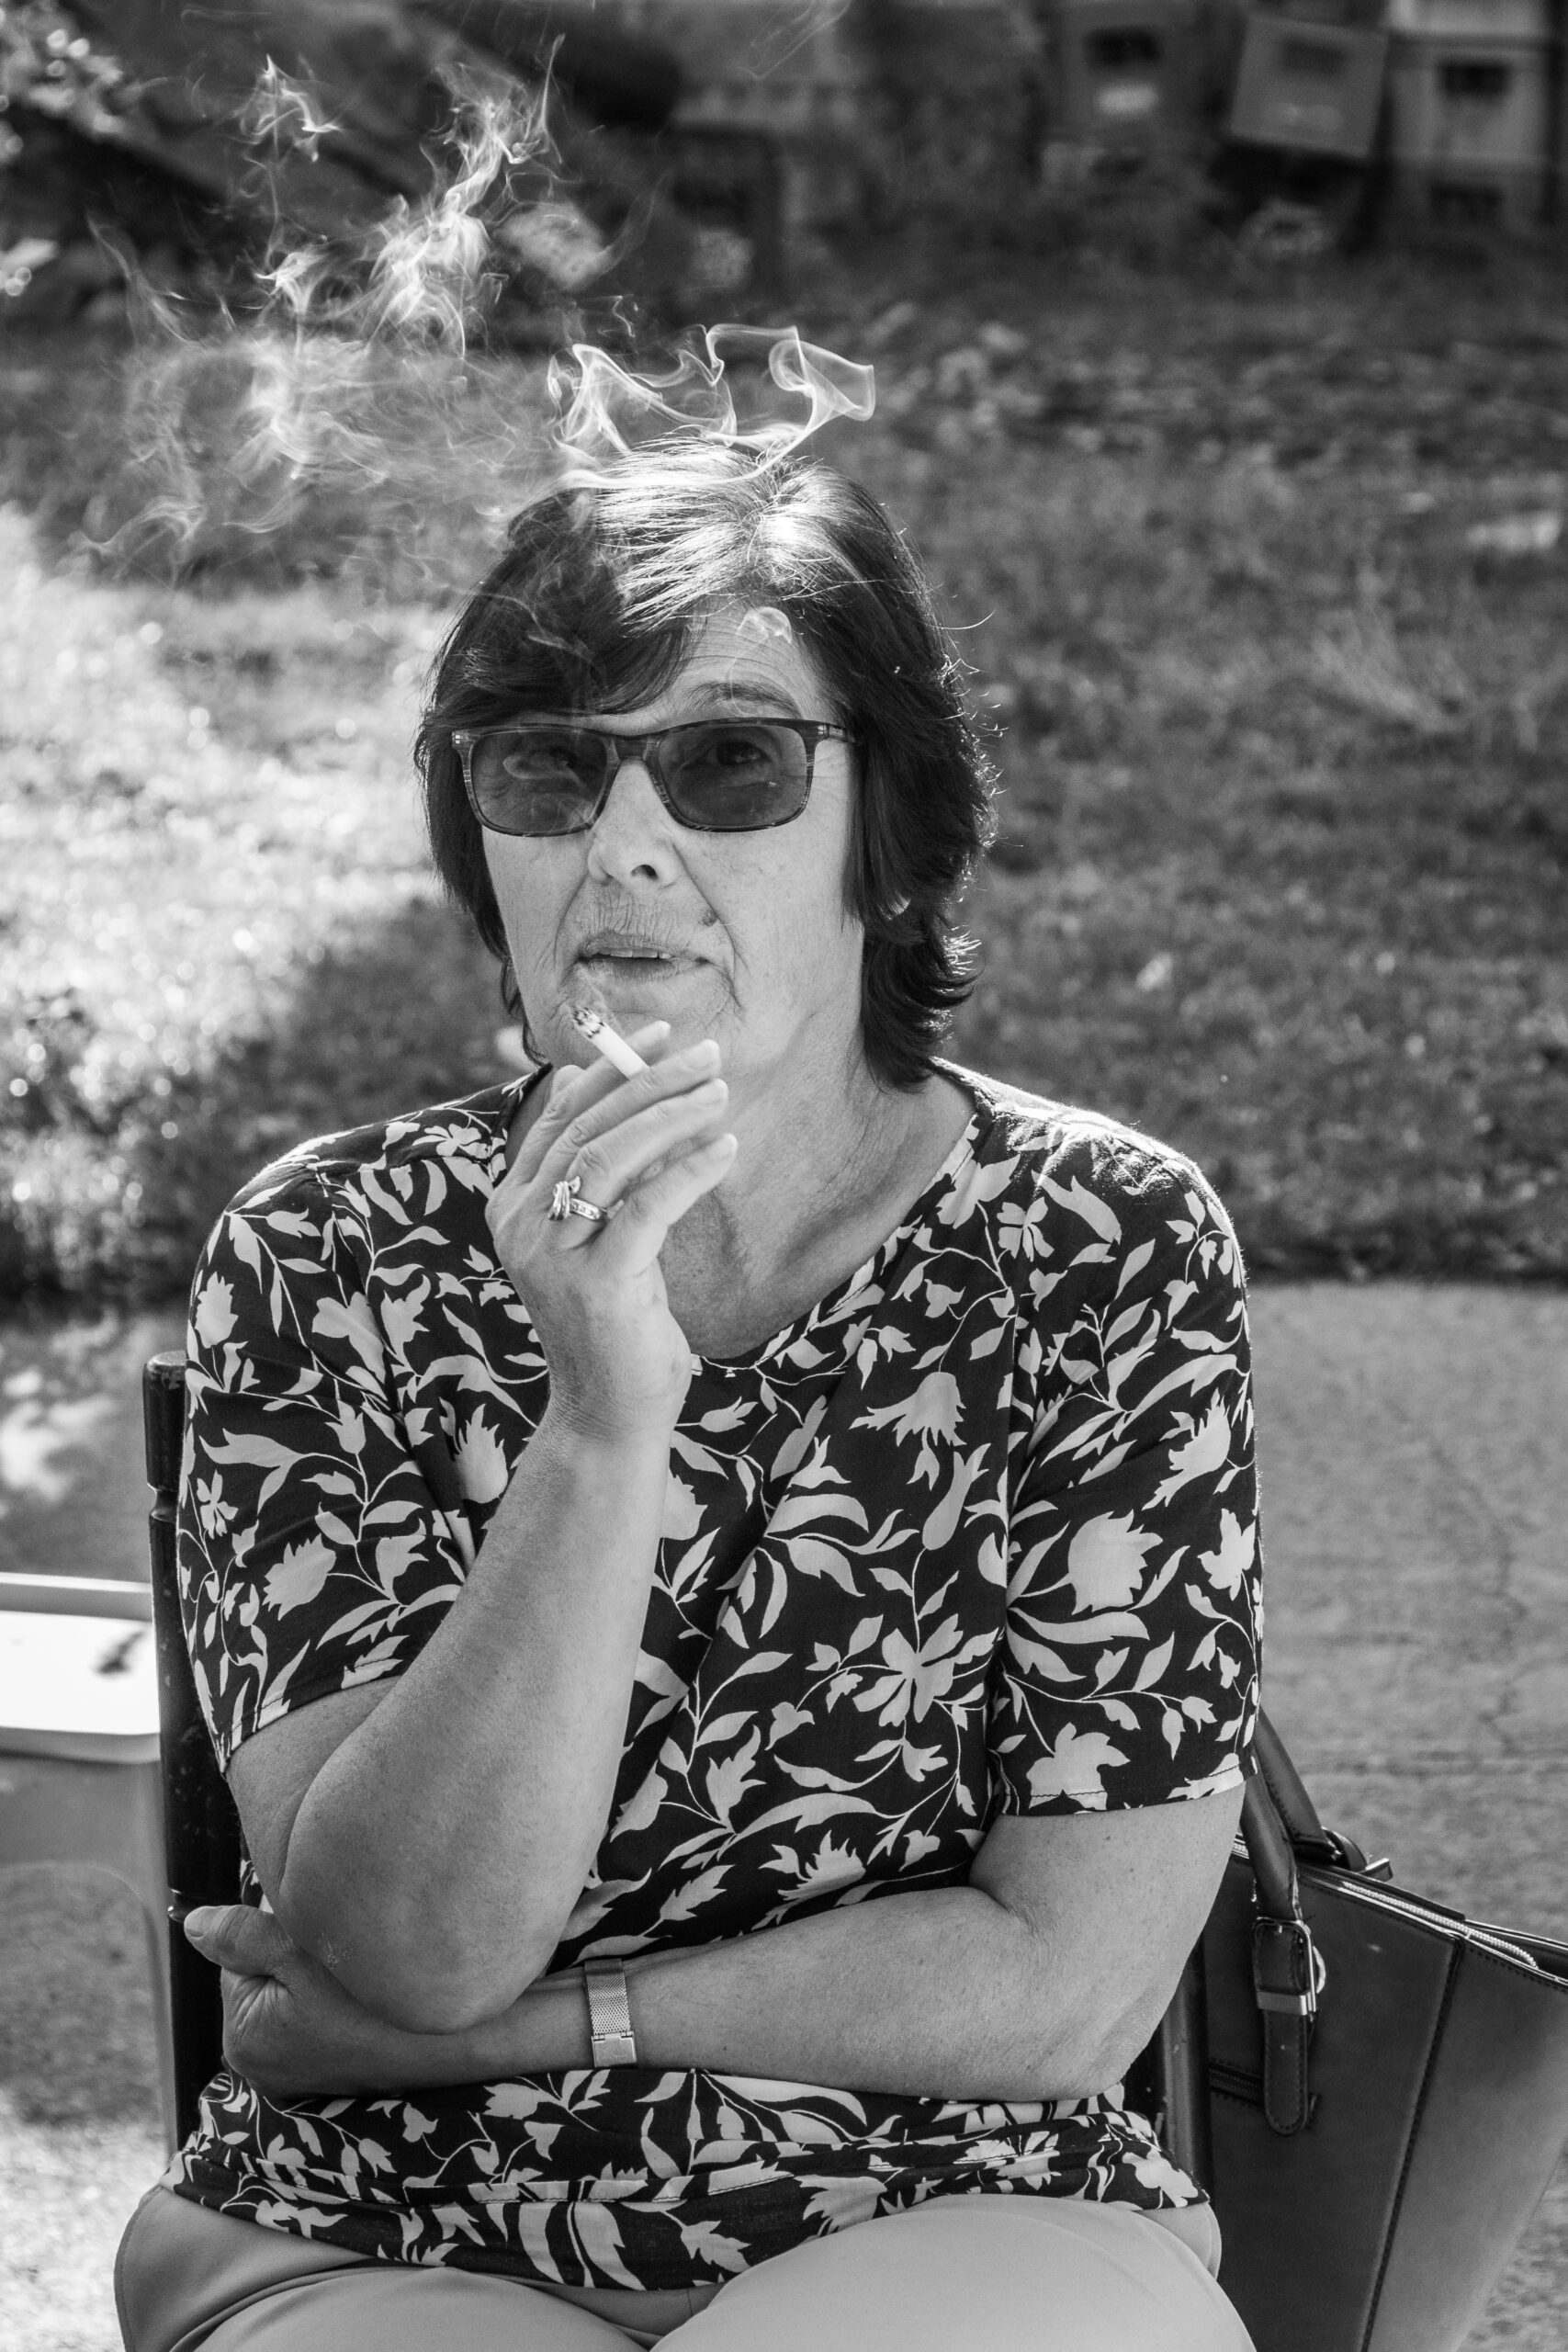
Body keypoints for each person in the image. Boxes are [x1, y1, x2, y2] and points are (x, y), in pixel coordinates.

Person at [117, 408, 1262, 2352]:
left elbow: (1066, 1987)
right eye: (546, 767)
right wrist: (601, 1414)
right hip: (383, 2217)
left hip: (965, 2196)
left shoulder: (1100, 1246)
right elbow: (406, 1943)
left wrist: (537, 2030)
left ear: (890, 830)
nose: (624, 844)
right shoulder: (327, 1253)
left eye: (732, 761)